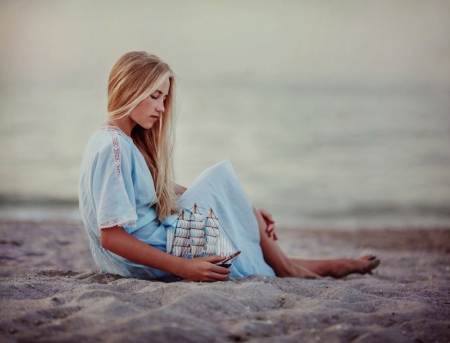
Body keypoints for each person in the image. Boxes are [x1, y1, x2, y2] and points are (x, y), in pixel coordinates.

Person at [79, 51, 380, 282]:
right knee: (221, 176)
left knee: (242, 230)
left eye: (165, 98)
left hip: (155, 245)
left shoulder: (117, 142)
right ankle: (291, 268)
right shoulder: (114, 147)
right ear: (128, 89)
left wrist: (239, 206)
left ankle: (326, 265)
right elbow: (112, 236)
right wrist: (185, 267)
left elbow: (159, 191)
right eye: (155, 96)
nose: (161, 107)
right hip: (157, 253)